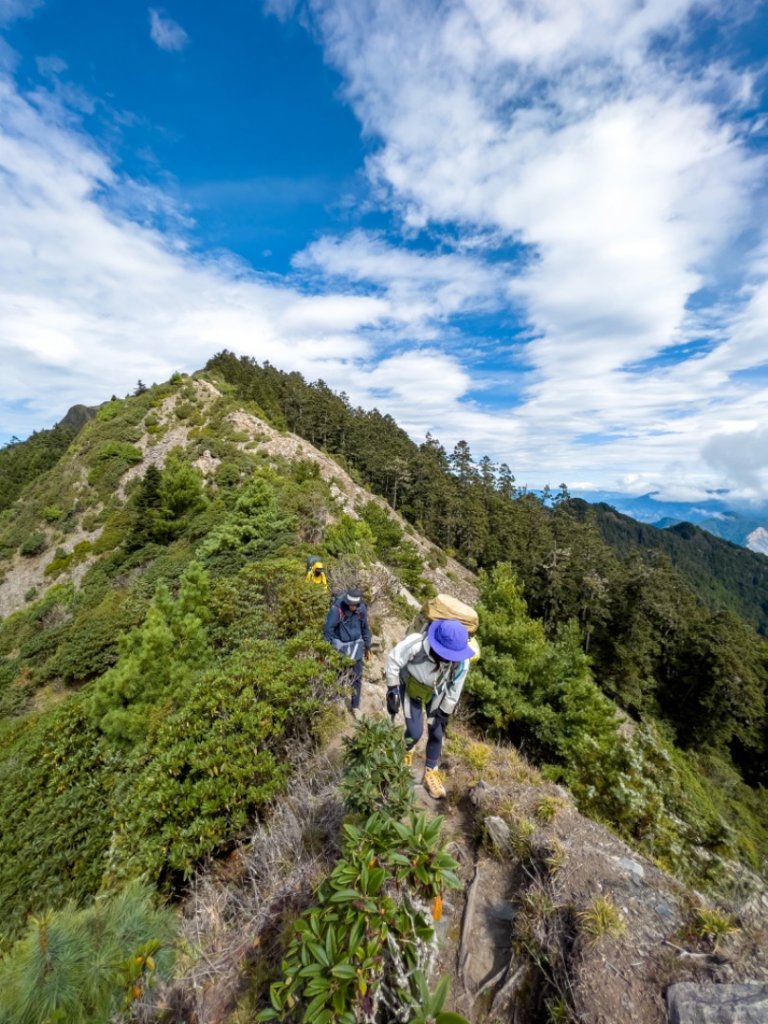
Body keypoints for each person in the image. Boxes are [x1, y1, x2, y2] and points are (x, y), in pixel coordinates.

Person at [385, 619, 473, 799]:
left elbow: (455, 688)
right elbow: (393, 660)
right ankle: (405, 754)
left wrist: (445, 713)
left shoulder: (462, 661)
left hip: (437, 692)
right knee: (415, 731)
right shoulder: (416, 643)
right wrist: (392, 690)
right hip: (411, 686)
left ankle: (430, 772)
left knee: (437, 732)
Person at [323, 588, 371, 715]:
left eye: (355, 605)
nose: (352, 607)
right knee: (339, 674)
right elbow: (328, 630)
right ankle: (336, 700)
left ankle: (355, 706)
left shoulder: (361, 609)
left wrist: (368, 646)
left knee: (357, 676)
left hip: (356, 645)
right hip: (341, 645)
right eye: (350, 605)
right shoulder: (337, 609)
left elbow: (365, 628)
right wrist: (326, 649)